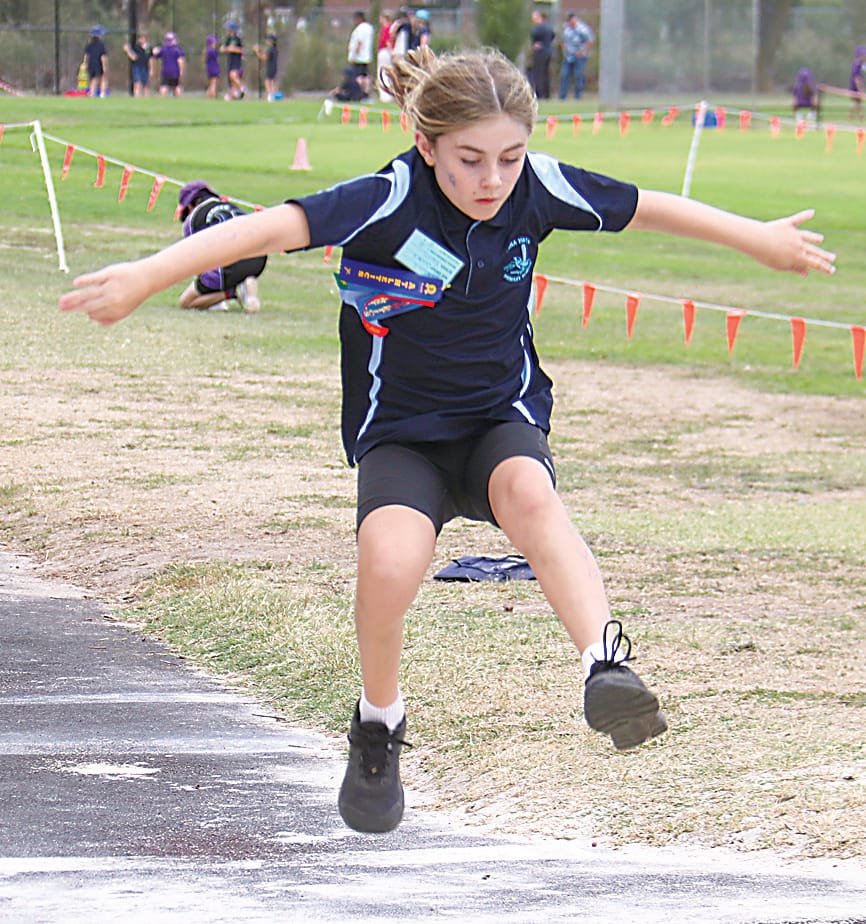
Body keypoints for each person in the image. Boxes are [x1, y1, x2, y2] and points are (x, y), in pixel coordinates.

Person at [60, 48, 836, 835]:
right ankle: (378, 722)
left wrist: (758, 239)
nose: (492, 179)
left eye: (509, 156)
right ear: (427, 146)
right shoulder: (386, 199)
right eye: (469, 160)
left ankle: (606, 663)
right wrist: (145, 276)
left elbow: (651, 207)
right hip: (402, 435)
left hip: (499, 417)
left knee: (530, 495)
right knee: (391, 561)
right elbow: (267, 227)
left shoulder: (535, 188)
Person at [170, 181, 265, 314]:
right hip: (258, 259)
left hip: (228, 265)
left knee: (186, 302)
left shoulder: (193, 219)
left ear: (190, 205)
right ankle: (245, 285)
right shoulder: (231, 206)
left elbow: (195, 258)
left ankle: (231, 293)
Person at [559, 11, 594, 100]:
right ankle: (563, 96)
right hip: (568, 56)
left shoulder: (582, 29)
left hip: (580, 56)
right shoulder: (566, 28)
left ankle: (578, 96)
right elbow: (562, 40)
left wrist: (582, 51)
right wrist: (564, 50)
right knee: (564, 75)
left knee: (578, 75)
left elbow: (590, 41)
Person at [347, 10, 375, 97]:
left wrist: (354, 55)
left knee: (358, 76)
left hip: (359, 57)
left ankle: (359, 93)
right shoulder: (369, 28)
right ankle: (366, 92)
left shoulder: (360, 29)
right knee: (365, 75)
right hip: (366, 56)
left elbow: (359, 42)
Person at [529, 9, 555, 100]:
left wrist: (537, 44)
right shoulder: (548, 27)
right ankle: (547, 94)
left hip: (540, 54)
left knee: (539, 74)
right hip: (548, 52)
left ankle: (539, 94)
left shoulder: (538, 28)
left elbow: (533, 36)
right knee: (546, 73)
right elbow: (553, 35)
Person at [152, 31, 185, 97]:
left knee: (164, 86)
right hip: (175, 71)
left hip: (165, 71)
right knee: (176, 86)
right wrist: (181, 71)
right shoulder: (178, 49)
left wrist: (154, 50)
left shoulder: (163, 49)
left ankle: (162, 99)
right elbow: (180, 61)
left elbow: (155, 54)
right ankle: (178, 100)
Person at [221, 20, 246, 100]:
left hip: (236, 61)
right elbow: (223, 48)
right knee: (231, 79)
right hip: (230, 60)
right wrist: (227, 49)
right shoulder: (228, 39)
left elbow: (240, 50)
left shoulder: (236, 39)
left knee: (233, 75)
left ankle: (243, 88)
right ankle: (233, 94)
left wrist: (232, 49)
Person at [82, 25, 108, 98]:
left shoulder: (89, 44)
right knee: (101, 78)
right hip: (98, 64)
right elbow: (103, 56)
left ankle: (92, 92)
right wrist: (104, 66)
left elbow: (86, 56)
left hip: (91, 64)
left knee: (92, 79)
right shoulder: (101, 44)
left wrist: (85, 64)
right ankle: (102, 93)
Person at [122, 33, 151, 97]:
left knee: (146, 85)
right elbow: (134, 57)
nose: (141, 40)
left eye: (143, 38)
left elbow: (149, 57)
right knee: (137, 83)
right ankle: (137, 97)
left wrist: (152, 69)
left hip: (145, 67)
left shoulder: (148, 48)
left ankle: (146, 99)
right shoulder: (136, 47)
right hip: (137, 67)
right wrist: (128, 51)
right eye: (140, 38)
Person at [253, 34, 279, 101]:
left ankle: (270, 96)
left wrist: (257, 52)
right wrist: (260, 51)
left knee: (267, 81)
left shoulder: (270, 49)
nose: (267, 41)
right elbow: (266, 54)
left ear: (271, 41)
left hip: (270, 67)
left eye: (268, 40)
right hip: (274, 67)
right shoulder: (275, 49)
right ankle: (273, 96)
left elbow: (264, 58)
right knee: (272, 81)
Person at [376, 10, 394, 102]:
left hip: (384, 51)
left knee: (382, 72)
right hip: (386, 52)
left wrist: (391, 52)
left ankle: (385, 96)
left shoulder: (386, 28)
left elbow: (387, 41)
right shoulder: (390, 28)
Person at [848, 45, 866, 119]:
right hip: (855, 86)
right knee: (857, 101)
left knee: (857, 102)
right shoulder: (857, 65)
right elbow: (857, 78)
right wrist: (860, 88)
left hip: (854, 85)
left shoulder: (858, 64)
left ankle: (858, 116)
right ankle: (857, 116)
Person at [204, 34, 221, 99]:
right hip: (214, 69)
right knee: (213, 83)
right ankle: (212, 96)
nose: (215, 44)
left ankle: (208, 96)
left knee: (211, 84)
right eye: (214, 42)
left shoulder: (207, 51)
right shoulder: (213, 51)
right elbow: (217, 58)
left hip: (210, 69)